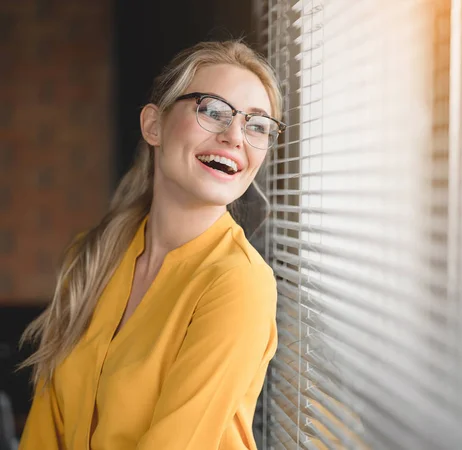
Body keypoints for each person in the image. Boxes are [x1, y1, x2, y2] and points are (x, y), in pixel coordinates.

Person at [17, 40, 286, 450]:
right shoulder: (90, 258)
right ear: (153, 125)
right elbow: (44, 428)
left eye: (258, 125)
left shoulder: (239, 284)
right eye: (212, 110)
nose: (235, 136)